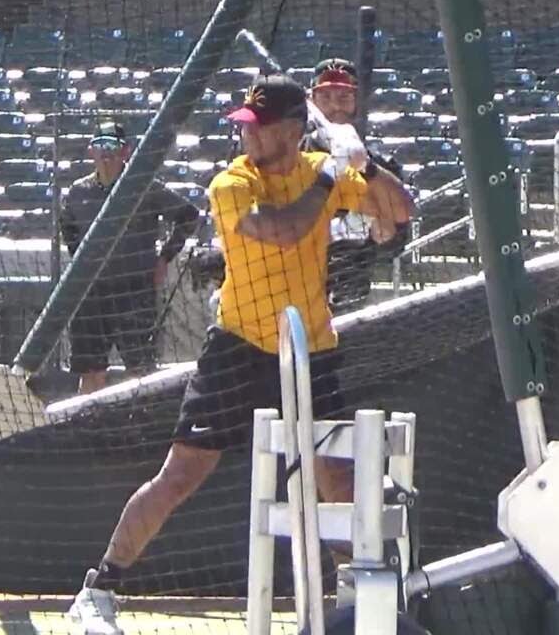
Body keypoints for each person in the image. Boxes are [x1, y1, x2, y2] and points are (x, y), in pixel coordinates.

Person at [68, 75, 413, 635]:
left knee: (336, 479)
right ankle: (101, 587)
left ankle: (353, 603)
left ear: (294, 131)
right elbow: (281, 230)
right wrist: (332, 177)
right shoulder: (232, 182)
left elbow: (398, 214)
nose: (247, 137)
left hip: (309, 352)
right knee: (179, 475)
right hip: (238, 346)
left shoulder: (320, 172)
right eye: (245, 127)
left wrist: (366, 164)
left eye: (259, 127)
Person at [60, 122, 201, 394]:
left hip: (135, 293)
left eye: (113, 145)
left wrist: (164, 258)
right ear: (91, 151)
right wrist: (81, 260)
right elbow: (68, 227)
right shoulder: (78, 191)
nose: (106, 152)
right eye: (100, 144)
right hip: (91, 294)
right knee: (90, 371)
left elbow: (188, 215)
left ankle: (140, 430)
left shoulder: (145, 187)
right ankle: (85, 431)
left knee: (140, 373)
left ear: (126, 151)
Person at [302, 58, 414, 310]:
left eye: (344, 98)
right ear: (312, 102)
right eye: (326, 97)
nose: (335, 107)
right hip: (289, 288)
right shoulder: (290, 156)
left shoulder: (381, 165)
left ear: (357, 103)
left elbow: (392, 241)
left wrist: (365, 168)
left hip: (348, 296)